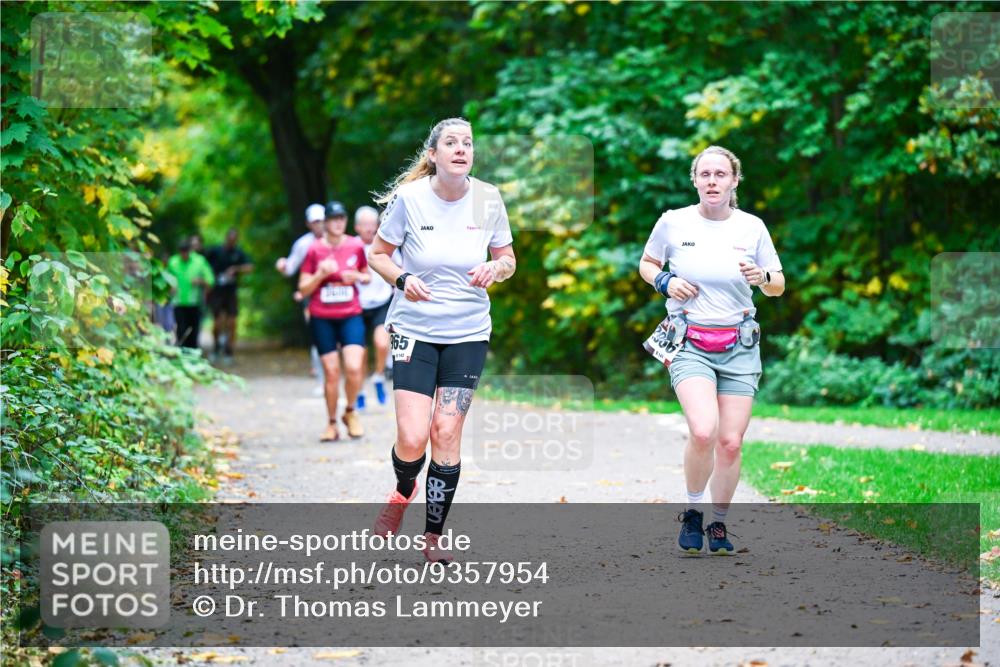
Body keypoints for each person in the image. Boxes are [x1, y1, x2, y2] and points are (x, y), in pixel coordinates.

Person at [368, 118, 516, 563]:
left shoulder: (488, 199)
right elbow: (378, 255)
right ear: (433, 155)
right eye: (451, 142)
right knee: (413, 437)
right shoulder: (410, 199)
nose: (461, 149)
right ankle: (403, 490)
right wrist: (402, 279)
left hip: (468, 332)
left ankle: (433, 537)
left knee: (446, 432)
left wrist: (495, 268)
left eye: (467, 143)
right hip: (414, 329)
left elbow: (508, 259)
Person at [638, 145, 785, 555]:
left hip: (739, 344)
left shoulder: (752, 227)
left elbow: (778, 285)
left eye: (721, 174)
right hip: (689, 341)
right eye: (705, 174)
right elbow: (647, 263)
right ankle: (693, 512)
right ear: (695, 180)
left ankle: (718, 523)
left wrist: (763, 276)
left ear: (734, 180)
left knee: (731, 442)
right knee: (704, 430)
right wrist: (665, 282)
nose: (712, 181)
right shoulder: (673, 222)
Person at [298, 200, 370, 442]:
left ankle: (350, 411)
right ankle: (331, 423)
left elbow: (367, 276)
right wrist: (320, 274)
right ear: (325, 223)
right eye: (333, 219)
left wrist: (356, 276)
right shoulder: (314, 250)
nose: (338, 223)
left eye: (342, 218)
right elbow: (303, 288)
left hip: (350, 314)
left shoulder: (355, 246)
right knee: (331, 372)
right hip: (322, 317)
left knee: (354, 367)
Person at [277, 203, 327, 392]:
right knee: (319, 337)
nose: (319, 225)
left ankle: (336, 379)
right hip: (313, 296)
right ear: (308, 224)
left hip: (340, 297)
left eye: (322, 220)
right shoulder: (303, 244)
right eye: (315, 221)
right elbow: (290, 268)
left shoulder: (338, 240)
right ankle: (322, 380)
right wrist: (282, 265)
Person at [353, 205, 396, 408]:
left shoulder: (386, 244)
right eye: (365, 225)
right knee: (359, 354)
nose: (370, 228)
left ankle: (378, 376)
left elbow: (399, 268)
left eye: (373, 224)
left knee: (381, 344)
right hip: (356, 306)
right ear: (357, 227)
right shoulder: (351, 246)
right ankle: (359, 390)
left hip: (381, 302)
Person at [205, 228, 253, 364]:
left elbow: (250, 267)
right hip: (216, 291)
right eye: (230, 239)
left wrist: (236, 269)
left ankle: (229, 351)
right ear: (226, 238)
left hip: (231, 291)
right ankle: (216, 347)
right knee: (218, 322)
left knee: (232, 322)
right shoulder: (215, 251)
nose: (232, 242)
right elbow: (204, 265)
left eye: (234, 240)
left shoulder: (238, 252)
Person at [166, 236, 214, 350]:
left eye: (186, 252)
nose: (184, 255)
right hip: (178, 302)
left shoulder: (199, 261)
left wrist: (201, 281)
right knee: (181, 330)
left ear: (190, 250)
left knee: (194, 332)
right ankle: (182, 353)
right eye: (182, 252)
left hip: (195, 302)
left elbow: (210, 281)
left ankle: (193, 354)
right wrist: (170, 286)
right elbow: (165, 279)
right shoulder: (173, 262)